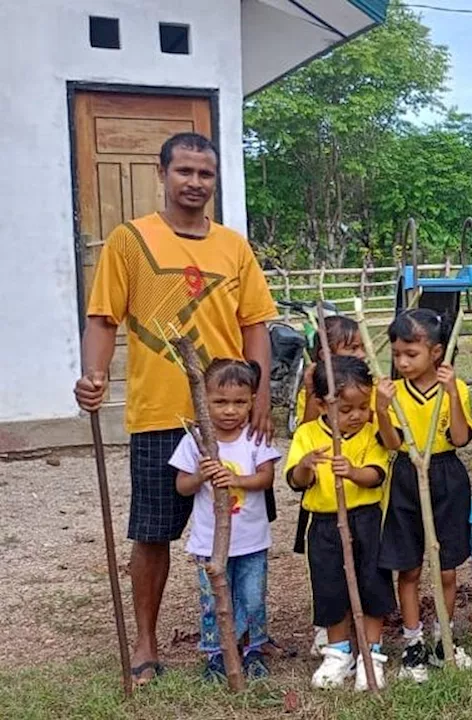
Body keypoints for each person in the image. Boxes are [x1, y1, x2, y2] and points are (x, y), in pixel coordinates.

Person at [73, 132, 276, 687]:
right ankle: (145, 640)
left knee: (244, 527)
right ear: (162, 174)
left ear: (215, 181)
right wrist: (94, 376)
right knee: (154, 531)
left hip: (233, 412)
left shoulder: (233, 247)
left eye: (205, 174)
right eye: (184, 171)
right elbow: (103, 319)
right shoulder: (130, 241)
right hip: (162, 411)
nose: (194, 182)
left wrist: (260, 396)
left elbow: (254, 324)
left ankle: (243, 635)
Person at [374, 309, 472, 680]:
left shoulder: (457, 388)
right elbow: (389, 444)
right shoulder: (391, 392)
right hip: (404, 476)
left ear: (436, 352)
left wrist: (452, 394)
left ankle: (442, 638)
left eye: (411, 354)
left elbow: (462, 439)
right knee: (410, 566)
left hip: (446, 476)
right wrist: (382, 411)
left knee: (446, 567)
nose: (402, 362)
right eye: (397, 353)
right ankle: (413, 641)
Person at [287, 356, 394, 691]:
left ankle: (372, 653)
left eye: (363, 407)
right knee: (330, 586)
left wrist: (353, 472)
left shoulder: (371, 431)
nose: (357, 416)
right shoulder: (307, 434)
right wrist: (306, 465)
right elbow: (296, 481)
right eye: (346, 409)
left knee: (372, 584)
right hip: (324, 524)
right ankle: (338, 652)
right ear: (320, 404)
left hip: (366, 520)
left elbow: (377, 475)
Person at [170, 359, 280, 682]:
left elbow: (265, 478)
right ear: (203, 400)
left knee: (251, 596)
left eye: (239, 402)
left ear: (251, 402)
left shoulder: (255, 438)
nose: (230, 410)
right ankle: (217, 654)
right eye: (220, 402)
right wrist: (200, 474)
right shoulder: (196, 441)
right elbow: (181, 486)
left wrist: (234, 480)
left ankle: (253, 650)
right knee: (214, 600)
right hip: (209, 543)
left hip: (251, 540)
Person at [292, 315, 366, 658]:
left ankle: (363, 627)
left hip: (362, 494)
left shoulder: (366, 384)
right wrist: (312, 392)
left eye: (361, 345)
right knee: (326, 567)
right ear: (323, 356)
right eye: (351, 347)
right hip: (322, 497)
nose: (361, 353)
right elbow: (308, 430)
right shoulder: (316, 393)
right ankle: (328, 628)